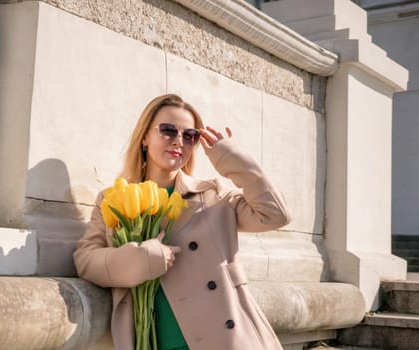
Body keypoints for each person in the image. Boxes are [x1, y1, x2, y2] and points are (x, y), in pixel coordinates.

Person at [74, 93, 292, 350]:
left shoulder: (213, 195)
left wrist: (231, 159)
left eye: (190, 136)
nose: (179, 141)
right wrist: (138, 259)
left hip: (225, 342)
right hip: (151, 342)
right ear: (145, 137)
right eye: (168, 130)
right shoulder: (114, 199)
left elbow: (275, 214)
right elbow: (86, 260)